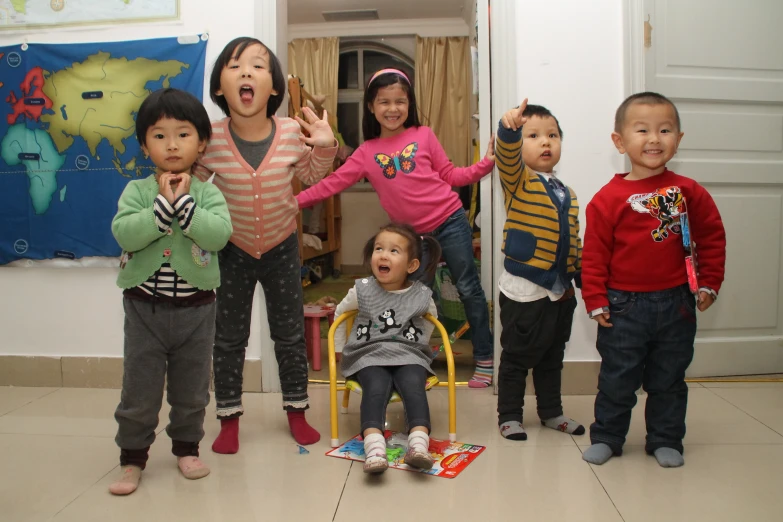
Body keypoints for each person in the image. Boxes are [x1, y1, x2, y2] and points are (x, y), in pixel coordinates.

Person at [298, 68, 496, 388]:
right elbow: (331, 184)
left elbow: (453, 176)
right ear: (371, 107)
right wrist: (296, 201)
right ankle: (411, 358)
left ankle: (485, 358)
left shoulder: (424, 135)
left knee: (469, 288)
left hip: (451, 221)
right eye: (384, 102)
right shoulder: (366, 153)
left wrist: (486, 162)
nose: (393, 109)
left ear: (410, 103)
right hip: (413, 240)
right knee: (414, 298)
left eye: (400, 101)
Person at [194, 37, 337, 453]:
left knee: (289, 336)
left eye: (257, 66)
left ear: (273, 86)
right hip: (232, 251)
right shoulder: (211, 137)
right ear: (220, 87)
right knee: (229, 338)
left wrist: (326, 145)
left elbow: (312, 176)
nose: (246, 73)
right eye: (235, 66)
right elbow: (196, 185)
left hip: (280, 249)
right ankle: (229, 418)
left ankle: (296, 411)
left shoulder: (292, 131)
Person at [581, 92, 726, 468]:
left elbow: (710, 237)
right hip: (623, 307)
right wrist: (595, 298)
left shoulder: (688, 191)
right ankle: (609, 437)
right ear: (620, 141)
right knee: (617, 379)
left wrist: (709, 282)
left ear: (678, 139)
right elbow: (595, 254)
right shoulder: (608, 198)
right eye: (642, 130)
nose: (654, 139)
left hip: (677, 303)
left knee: (669, 379)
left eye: (665, 130)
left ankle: (665, 439)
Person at [109, 88, 233, 495]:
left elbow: (218, 236)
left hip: (197, 310)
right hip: (144, 310)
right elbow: (124, 232)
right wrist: (162, 208)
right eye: (159, 135)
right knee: (140, 390)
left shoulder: (209, 193)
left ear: (201, 143)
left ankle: (186, 447)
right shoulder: (137, 192)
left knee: (192, 388)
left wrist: (186, 208)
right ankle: (132, 458)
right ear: (145, 146)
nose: (172, 144)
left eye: (182, 134)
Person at [494, 100, 585, 441]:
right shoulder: (519, 182)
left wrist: (577, 278)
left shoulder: (568, 194)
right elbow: (506, 156)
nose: (545, 142)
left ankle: (552, 412)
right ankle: (509, 416)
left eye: (552, 135)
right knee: (517, 357)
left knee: (551, 357)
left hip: (560, 291)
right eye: (533, 135)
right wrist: (508, 131)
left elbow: (572, 240)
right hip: (524, 289)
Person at [333, 223, 441, 474]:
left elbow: (430, 319)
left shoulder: (421, 294)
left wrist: (419, 345)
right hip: (368, 354)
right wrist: (339, 349)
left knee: (414, 385)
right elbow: (340, 312)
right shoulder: (362, 289)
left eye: (394, 251)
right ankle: (374, 448)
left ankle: (418, 445)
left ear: (411, 265)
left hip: (409, 353)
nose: (383, 255)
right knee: (376, 386)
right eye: (379, 248)